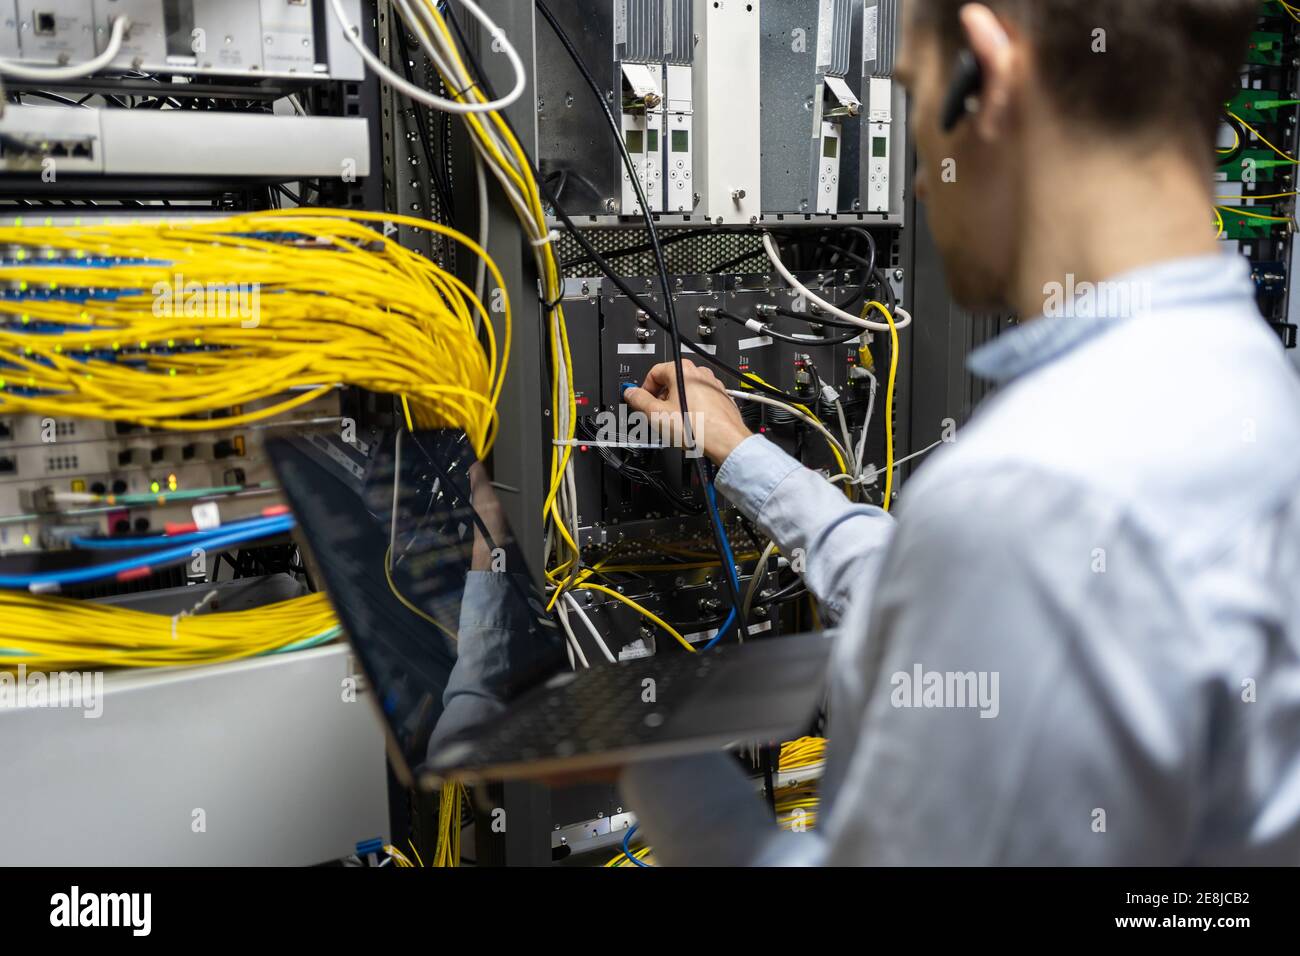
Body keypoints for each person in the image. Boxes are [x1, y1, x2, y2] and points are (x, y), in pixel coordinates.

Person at [618, 0, 1300, 865]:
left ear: (990, 68)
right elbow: (961, 601)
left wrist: (639, 750)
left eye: (913, 97)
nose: (913, 181)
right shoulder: (1248, 388)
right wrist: (744, 452)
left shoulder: (1033, 489)